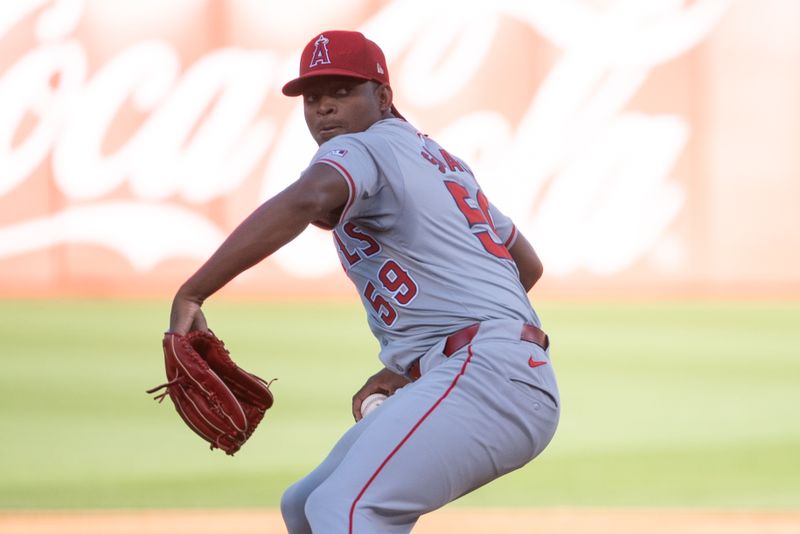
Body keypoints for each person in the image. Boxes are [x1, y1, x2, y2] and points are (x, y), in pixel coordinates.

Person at [168, 30, 560, 533]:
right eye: (313, 98)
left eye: (342, 91)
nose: (325, 109)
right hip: (491, 369)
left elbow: (306, 199)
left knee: (348, 509)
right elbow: (524, 264)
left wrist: (193, 292)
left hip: (487, 375)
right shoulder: (435, 158)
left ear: (384, 97)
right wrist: (417, 365)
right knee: (304, 505)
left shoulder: (367, 147)